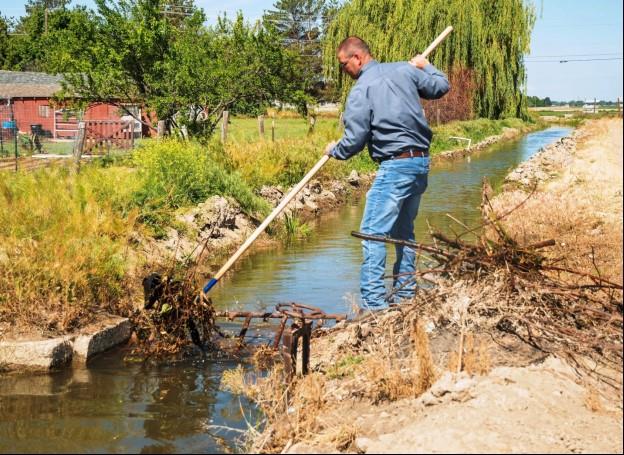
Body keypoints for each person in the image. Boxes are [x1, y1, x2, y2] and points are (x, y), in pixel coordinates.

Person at [324, 36, 449, 312]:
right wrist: (426, 66)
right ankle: (405, 295)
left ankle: (374, 306)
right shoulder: (406, 71)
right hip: (420, 164)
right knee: (403, 232)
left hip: (395, 167)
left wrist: (335, 150)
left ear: (357, 58)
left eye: (344, 65)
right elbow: (441, 85)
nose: (343, 70)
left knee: (372, 235)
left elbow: (355, 139)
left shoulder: (361, 90)